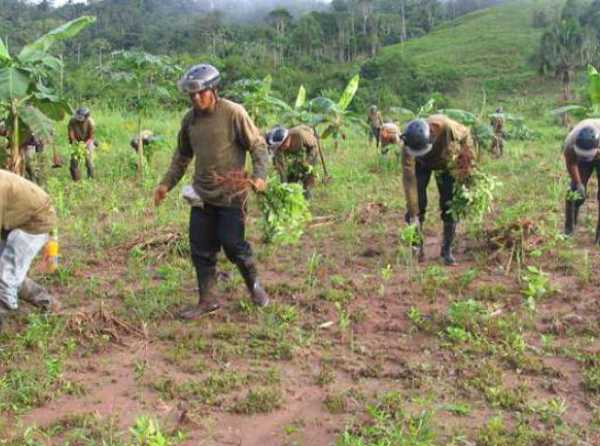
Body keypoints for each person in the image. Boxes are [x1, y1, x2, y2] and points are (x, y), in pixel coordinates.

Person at [154, 63, 270, 319]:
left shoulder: (233, 113)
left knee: (233, 245)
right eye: (191, 95)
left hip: (231, 194)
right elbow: (182, 156)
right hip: (202, 195)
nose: (196, 99)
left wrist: (260, 176)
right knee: (201, 249)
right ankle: (208, 300)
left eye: (201, 93)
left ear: (214, 90)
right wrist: (165, 184)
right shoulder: (190, 121)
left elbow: (259, 146)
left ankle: (255, 287)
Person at [402, 114, 477, 265]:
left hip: (445, 163)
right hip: (421, 166)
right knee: (417, 205)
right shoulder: (408, 143)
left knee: (449, 204)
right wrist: (413, 209)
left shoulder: (448, 127)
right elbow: (409, 179)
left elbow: (466, 136)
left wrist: (467, 162)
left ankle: (446, 251)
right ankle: (417, 247)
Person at [0, 170, 58, 330]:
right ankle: (47, 302)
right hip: (15, 218)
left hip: (35, 221)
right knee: (8, 272)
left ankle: (5, 315)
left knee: (6, 275)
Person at [563, 120, 600, 242]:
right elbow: (571, 163)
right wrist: (579, 184)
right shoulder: (570, 142)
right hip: (581, 158)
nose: (587, 158)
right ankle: (569, 229)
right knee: (574, 192)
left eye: (588, 156)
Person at [266, 125, 318, 198]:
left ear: (288, 137)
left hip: (310, 153)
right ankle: (293, 196)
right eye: (280, 147)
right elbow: (281, 168)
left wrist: (308, 161)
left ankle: (308, 197)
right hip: (296, 158)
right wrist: (284, 185)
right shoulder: (279, 148)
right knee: (291, 178)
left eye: (283, 145)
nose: (282, 148)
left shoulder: (300, 135)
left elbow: (314, 146)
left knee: (308, 178)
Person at [67, 107, 96, 181]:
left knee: (89, 161)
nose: (78, 120)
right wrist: (74, 141)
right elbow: (71, 132)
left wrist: (84, 145)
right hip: (76, 141)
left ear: (86, 118)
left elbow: (91, 137)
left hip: (87, 141)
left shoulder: (91, 123)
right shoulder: (72, 121)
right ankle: (76, 180)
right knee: (74, 161)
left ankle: (90, 179)